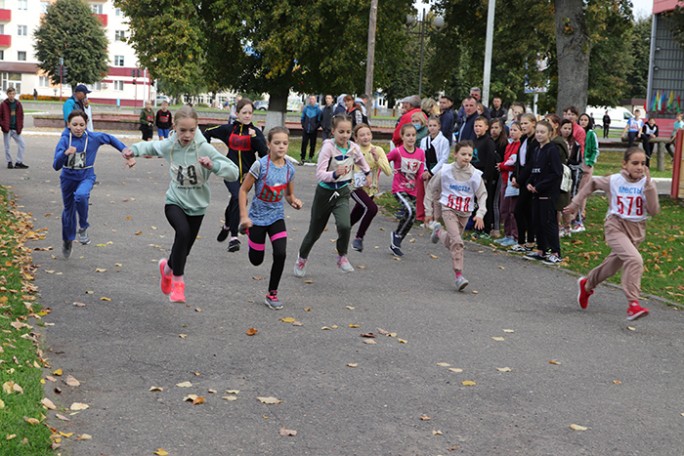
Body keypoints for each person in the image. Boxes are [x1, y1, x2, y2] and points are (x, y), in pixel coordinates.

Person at [123, 106, 239, 303]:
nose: (187, 135)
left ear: (197, 128)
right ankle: (178, 284)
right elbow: (150, 148)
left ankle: (167, 269)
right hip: (174, 201)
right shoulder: (170, 145)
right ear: (174, 127)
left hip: (198, 206)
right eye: (182, 130)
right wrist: (132, 149)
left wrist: (213, 165)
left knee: (184, 249)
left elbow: (234, 172)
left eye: (191, 130)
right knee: (182, 233)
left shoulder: (204, 148)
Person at [565, 147, 659, 321]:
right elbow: (592, 183)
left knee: (610, 269)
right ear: (624, 164)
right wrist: (575, 203)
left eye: (643, 164)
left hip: (636, 230)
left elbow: (654, 211)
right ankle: (633, 304)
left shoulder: (647, 184)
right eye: (635, 163)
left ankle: (587, 284)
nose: (639, 167)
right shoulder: (614, 181)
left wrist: (649, 187)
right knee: (635, 260)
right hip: (615, 226)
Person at [293, 115, 370, 277]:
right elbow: (320, 174)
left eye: (348, 132)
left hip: (342, 192)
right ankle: (302, 258)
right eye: (341, 131)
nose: (344, 135)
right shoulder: (328, 148)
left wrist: (367, 173)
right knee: (315, 231)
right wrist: (334, 174)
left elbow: (361, 161)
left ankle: (342, 256)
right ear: (333, 132)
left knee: (345, 225)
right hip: (324, 193)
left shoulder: (353, 148)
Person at [53, 110, 135, 259]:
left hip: (86, 176)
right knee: (68, 212)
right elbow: (55, 165)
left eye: (82, 125)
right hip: (68, 178)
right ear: (68, 125)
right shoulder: (65, 140)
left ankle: (83, 227)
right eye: (75, 124)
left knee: (81, 195)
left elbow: (110, 139)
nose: (78, 128)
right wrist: (64, 153)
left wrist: (124, 150)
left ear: (86, 125)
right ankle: (67, 240)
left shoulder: (92, 138)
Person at [238, 127, 302, 310]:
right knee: (256, 260)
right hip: (256, 218)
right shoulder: (260, 166)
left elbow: (289, 195)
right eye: (277, 143)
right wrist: (244, 216)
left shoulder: (289, 169)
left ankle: (272, 293)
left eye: (284, 143)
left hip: (276, 217)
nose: (281, 147)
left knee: (280, 253)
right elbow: (243, 190)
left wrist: (294, 201)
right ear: (268, 144)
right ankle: (249, 232)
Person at [204, 98, 268, 252]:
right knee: (237, 197)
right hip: (230, 171)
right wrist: (207, 152)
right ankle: (234, 237)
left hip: (247, 175)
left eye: (250, 113)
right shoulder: (229, 129)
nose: (247, 116)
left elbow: (264, 153)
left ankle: (227, 225)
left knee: (236, 201)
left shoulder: (256, 132)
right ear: (237, 113)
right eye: (244, 112)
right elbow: (207, 132)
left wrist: (255, 138)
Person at [425, 140, 487, 291]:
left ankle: (438, 232)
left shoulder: (475, 175)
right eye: (463, 154)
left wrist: (480, 214)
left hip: (465, 212)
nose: (467, 157)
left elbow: (482, 195)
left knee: (452, 242)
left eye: (470, 155)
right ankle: (459, 276)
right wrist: (428, 211)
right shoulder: (445, 171)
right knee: (458, 243)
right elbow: (431, 189)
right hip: (448, 209)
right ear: (455, 154)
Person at [522, 120, 563, 265]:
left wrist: (539, 186)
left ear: (550, 133)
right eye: (537, 132)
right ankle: (541, 249)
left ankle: (556, 252)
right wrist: (529, 183)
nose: (539, 135)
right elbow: (533, 169)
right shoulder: (536, 150)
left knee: (548, 221)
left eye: (542, 132)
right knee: (537, 221)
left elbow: (556, 173)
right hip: (536, 192)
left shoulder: (552, 150)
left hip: (548, 192)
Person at [386, 123, 425, 257]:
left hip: (412, 190)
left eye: (413, 135)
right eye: (408, 135)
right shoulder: (397, 152)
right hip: (399, 188)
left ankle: (396, 240)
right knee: (410, 210)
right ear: (402, 137)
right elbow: (384, 161)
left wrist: (424, 177)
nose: (411, 138)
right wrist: (375, 176)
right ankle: (396, 238)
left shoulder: (420, 153)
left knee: (411, 216)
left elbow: (420, 173)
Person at [350, 123, 391, 252]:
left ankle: (343, 228)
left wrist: (377, 159)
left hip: (371, 189)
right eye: (362, 135)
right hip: (355, 187)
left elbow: (388, 171)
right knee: (372, 209)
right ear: (356, 138)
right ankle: (359, 238)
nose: (365, 137)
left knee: (360, 210)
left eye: (368, 134)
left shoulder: (377, 150)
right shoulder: (353, 151)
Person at [510, 113, 538, 252]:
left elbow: (531, 164)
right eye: (522, 124)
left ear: (533, 123)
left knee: (520, 210)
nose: (523, 126)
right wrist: (514, 176)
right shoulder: (524, 140)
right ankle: (527, 241)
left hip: (529, 181)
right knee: (524, 211)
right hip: (521, 179)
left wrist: (520, 180)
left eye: (526, 123)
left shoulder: (535, 142)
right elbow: (519, 161)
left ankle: (525, 241)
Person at [571, 113, 600, 233]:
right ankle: (573, 214)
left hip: (586, 164)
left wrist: (590, 162)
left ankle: (580, 214)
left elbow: (595, 149)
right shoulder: (576, 132)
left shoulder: (591, 134)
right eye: (581, 120)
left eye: (585, 120)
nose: (583, 122)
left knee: (582, 191)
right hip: (576, 164)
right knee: (575, 190)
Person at [419, 116, 450, 224]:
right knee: (427, 195)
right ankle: (428, 218)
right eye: (430, 126)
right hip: (427, 171)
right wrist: (425, 171)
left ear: (439, 127)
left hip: (438, 171)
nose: (432, 128)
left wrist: (432, 172)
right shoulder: (424, 140)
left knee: (437, 196)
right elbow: (422, 157)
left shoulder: (444, 141)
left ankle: (437, 219)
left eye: (434, 126)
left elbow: (444, 159)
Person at [495, 121, 521, 247]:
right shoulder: (509, 145)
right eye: (511, 130)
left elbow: (514, 164)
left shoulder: (520, 146)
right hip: (505, 179)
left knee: (512, 210)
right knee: (504, 209)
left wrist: (502, 166)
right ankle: (507, 234)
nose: (512, 132)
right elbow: (507, 161)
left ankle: (515, 235)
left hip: (513, 180)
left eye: (515, 130)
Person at [471, 116, 498, 237]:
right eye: (476, 126)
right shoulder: (474, 141)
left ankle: (486, 228)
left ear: (486, 127)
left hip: (484, 176)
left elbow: (490, 160)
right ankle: (476, 226)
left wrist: (486, 177)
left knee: (485, 202)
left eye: (480, 126)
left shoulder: (488, 141)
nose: (477, 128)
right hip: (473, 175)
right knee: (476, 202)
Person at [1, 87, 28, 169]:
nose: (11, 96)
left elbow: (21, 116)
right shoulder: (3, 104)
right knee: (7, 146)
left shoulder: (18, 104)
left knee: (22, 144)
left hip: (16, 129)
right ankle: (9, 162)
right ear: (7, 94)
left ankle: (19, 162)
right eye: (10, 94)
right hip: (7, 128)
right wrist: (3, 124)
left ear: (15, 94)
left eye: (13, 94)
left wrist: (20, 126)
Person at [300, 95, 322, 164]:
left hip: (313, 130)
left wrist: (315, 127)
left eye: (313, 99)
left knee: (312, 144)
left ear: (315, 100)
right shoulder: (306, 108)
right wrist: (304, 126)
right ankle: (302, 157)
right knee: (304, 143)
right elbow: (302, 118)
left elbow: (319, 121)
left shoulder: (318, 110)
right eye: (310, 99)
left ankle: (310, 157)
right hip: (306, 129)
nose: (311, 100)